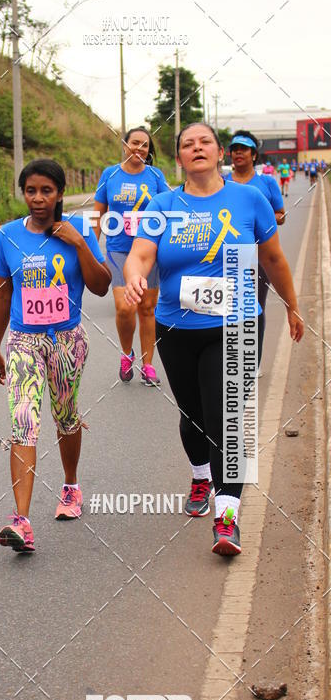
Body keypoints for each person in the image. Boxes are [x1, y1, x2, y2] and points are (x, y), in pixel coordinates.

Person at [123, 123, 303, 556]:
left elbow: (273, 258)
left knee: (229, 419)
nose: (197, 148)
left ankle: (227, 520)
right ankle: (201, 474)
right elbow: (141, 254)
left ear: (219, 153)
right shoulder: (162, 204)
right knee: (194, 416)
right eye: (188, 144)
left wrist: (292, 306)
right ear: (179, 158)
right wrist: (133, 279)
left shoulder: (249, 198)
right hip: (176, 326)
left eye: (205, 142)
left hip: (236, 323)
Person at [0, 158, 111, 553]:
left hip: (67, 341)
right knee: (23, 422)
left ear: (59, 194)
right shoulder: (8, 235)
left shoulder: (78, 234)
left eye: (46, 191)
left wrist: (77, 242)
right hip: (24, 342)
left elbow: (101, 286)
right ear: (22, 193)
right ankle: (21, 521)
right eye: (31, 191)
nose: (38, 199)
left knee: (66, 416)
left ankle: (71, 486)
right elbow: (3, 293)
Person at [93, 127, 169, 385]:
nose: (139, 149)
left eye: (145, 145)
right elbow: (98, 214)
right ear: (125, 145)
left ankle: (148, 366)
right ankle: (127, 354)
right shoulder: (109, 175)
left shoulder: (156, 176)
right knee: (125, 308)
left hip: (149, 252)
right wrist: (92, 251)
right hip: (119, 249)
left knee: (147, 308)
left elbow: (168, 211)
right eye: (135, 143)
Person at [225, 131, 285, 342]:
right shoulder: (221, 182)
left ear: (253, 155)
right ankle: (229, 353)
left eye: (244, 149)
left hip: (259, 255)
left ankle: (253, 357)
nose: (238, 153)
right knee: (227, 307)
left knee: (255, 306)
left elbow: (281, 214)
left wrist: (259, 218)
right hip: (227, 256)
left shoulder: (267, 182)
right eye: (234, 150)